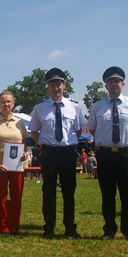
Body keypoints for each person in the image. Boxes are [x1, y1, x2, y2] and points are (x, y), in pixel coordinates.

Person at [28, 68, 86, 239]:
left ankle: (70, 227)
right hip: (49, 153)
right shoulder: (40, 107)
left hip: (68, 152)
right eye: (52, 85)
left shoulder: (74, 107)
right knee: (48, 190)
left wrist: (66, 144)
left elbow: (78, 130)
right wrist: (44, 143)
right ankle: (49, 228)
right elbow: (34, 131)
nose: (55, 88)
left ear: (64, 85)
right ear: (48, 87)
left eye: (58, 84)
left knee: (69, 190)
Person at [87, 66, 128, 240]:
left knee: (126, 194)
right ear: (106, 86)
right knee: (108, 194)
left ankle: (127, 230)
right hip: (105, 155)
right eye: (110, 82)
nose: (114, 85)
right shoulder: (98, 105)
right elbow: (93, 130)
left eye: (117, 81)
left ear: (123, 84)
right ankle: (109, 229)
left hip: (125, 154)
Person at [0, 91, 28, 237]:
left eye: (8, 101)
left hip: (16, 167)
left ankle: (15, 227)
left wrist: (25, 154)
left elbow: (24, 144)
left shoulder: (20, 123)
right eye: (3, 102)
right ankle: (3, 228)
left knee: (17, 198)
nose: (6, 104)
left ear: (13, 103)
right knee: (0, 198)